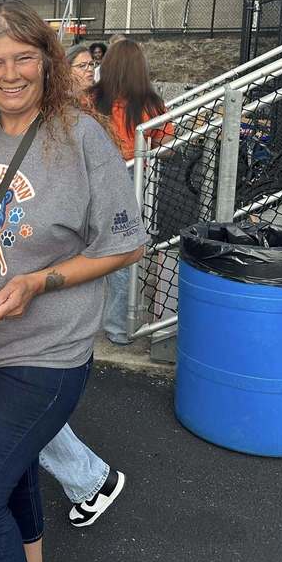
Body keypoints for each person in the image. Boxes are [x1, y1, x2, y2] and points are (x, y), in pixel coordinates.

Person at [0, 0, 147, 562]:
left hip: (48, 353)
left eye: (23, 58)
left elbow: (126, 242)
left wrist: (41, 280)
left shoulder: (82, 136)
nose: (10, 74)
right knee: (14, 479)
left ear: (47, 62)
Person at [91, 39, 172, 345]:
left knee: (83, 248)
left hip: (90, 177)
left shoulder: (91, 99)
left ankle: (76, 323)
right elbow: (166, 147)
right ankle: (117, 327)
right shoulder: (151, 103)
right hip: (130, 180)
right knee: (122, 253)